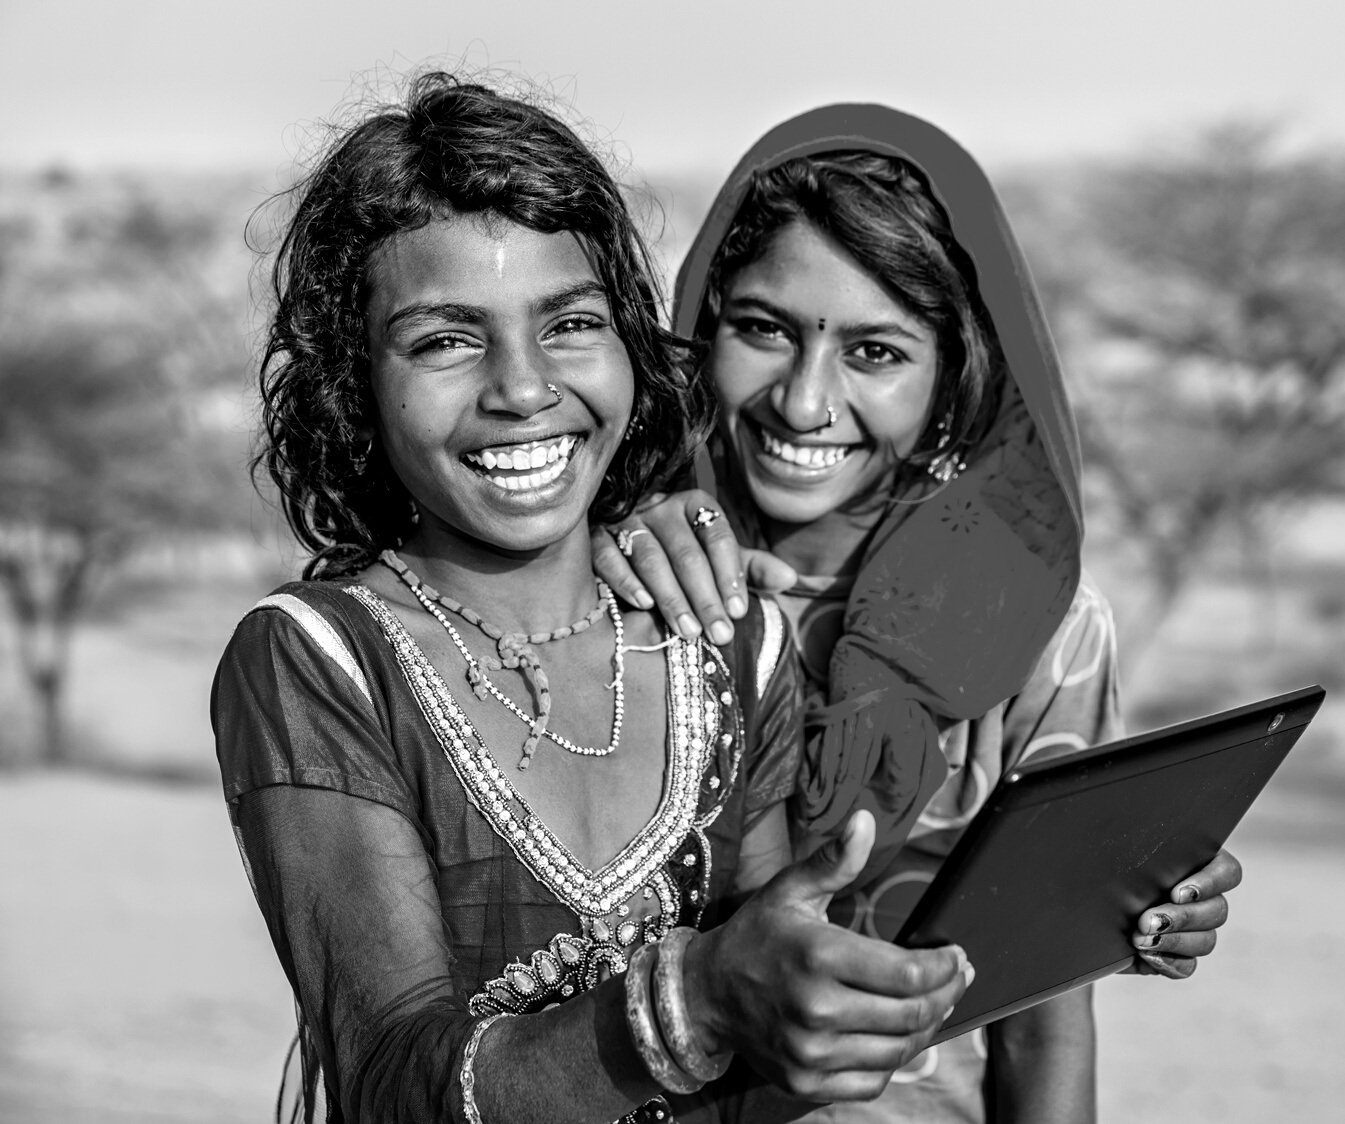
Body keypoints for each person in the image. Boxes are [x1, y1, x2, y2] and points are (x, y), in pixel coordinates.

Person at [211, 77, 972, 1124]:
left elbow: (772, 1029)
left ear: (631, 346)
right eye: (444, 339)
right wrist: (690, 997)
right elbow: (392, 1082)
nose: (523, 387)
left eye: (570, 322)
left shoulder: (729, 640)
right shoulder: (319, 660)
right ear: (354, 383)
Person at [592, 106, 1242, 1124]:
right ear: (700, 325)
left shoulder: (1039, 627)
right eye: (762, 329)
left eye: (875, 352)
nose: (804, 402)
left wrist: (1132, 899)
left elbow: (1041, 1016)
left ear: (951, 377)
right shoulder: (633, 572)